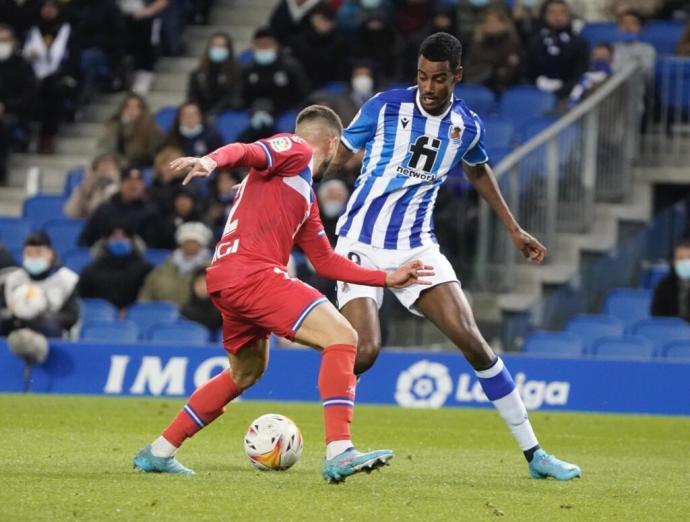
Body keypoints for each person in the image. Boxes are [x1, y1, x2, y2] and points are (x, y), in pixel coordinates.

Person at [323, 32, 581, 481]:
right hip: (360, 243)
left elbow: (478, 169)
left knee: (475, 343)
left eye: (439, 79)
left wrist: (515, 229)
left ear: (456, 76)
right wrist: (290, 181)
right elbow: (339, 156)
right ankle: (339, 448)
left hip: (417, 245)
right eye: (422, 77)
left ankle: (535, 454)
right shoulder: (385, 107)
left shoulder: (468, 125)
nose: (428, 86)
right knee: (363, 351)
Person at [132, 104, 433, 481]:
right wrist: (212, 161)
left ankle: (160, 451)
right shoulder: (297, 148)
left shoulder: (301, 192)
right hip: (253, 274)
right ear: (333, 142)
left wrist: (386, 278)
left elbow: (324, 261)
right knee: (343, 338)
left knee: (245, 373)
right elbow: (248, 150)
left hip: (227, 279)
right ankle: (340, 450)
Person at [3, 232, 79, 365]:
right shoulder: (12, 279)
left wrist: (37, 318)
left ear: (50, 253)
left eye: (38, 253)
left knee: (49, 326)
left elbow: (71, 316)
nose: (33, 258)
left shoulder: (67, 280)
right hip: (15, 329)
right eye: (29, 254)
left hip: (51, 333)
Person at [22, 0, 79, 154]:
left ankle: (47, 137)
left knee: (55, 92)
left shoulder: (67, 31)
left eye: (52, 7)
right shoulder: (32, 29)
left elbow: (73, 59)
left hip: (58, 75)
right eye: (45, 7)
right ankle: (24, 137)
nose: (48, 10)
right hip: (30, 75)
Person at [77, 222, 153, 309]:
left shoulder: (145, 270)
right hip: (101, 317)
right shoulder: (91, 271)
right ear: (107, 240)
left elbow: (147, 299)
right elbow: (82, 300)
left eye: (124, 236)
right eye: (114, 235)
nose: (119, 239)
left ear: (131, 240)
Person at [78, 167, 158, 247]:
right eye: (129, 181)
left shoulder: (151, 212)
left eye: (138, 182)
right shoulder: (104, 210)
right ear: (121, 184)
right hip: (105, 256)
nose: (133, 185)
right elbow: (86, 240)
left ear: (143, 186)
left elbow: (152, 245)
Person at [138, 221, 212, 306]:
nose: (190, 245)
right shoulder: (165, 266)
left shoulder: (210, 269)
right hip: (162, 314)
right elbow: (147, 290)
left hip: (194, 315)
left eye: (194, 242)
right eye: (187, 241)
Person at [525, 0, 589, 98]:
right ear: (545, 15)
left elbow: (580, 75)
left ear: (569, 16)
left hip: (567, 95)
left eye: (562, 12)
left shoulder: (579, 43)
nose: (557, 16)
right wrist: (538, 84)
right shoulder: (535, 41)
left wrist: (561, 88)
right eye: (552, 12)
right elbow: (527, 71)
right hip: (536, 94)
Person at [241, 27, 310, 114]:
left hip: (286, 111)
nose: (264, 48)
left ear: (276, 46)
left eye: (268, 45)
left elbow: (303, 94)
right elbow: (240, 95)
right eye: (260, 45)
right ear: (253, 47)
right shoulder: (246, 69)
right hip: (253, 111)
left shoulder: (291, 66)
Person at [0, 24, 37, 183]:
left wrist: (6, 106)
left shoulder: (22, 66)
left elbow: (29, 97)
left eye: (5, 40)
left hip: (13, 113)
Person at [464, 6, 523, 94]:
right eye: (486, 21)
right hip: (476, 87)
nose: (490, 25)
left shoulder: (511, 45)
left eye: (494, 21)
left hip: (502, 90)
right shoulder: (477, 44)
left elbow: (509, 72)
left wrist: (491, 72)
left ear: (504, 24)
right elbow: (468, 68)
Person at [96, 92, 165, 167]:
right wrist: (125, 128)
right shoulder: (114, 127)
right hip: (118, 165)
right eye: (128, 106)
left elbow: (156, 150)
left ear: (142, 110)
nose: (131, 110)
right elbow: (106, 148)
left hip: (142, 165)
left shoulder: (151, 128)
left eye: (136, 107)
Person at [289, 3, 349, 88]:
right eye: (320, 19)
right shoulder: (299, 41)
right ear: (312, 19)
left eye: (327, 20)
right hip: (305, 84)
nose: (323, 23)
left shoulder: (339, 41)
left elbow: (341, 69)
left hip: (331, 84)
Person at [118, 0, 169, 94]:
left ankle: (145, 72)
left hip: (145, 16)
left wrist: (147, 11)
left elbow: (162, 2)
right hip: (121, 14)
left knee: (146, 29)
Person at [186, 32, 242, 116]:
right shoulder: (197, 74)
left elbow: (235, 98)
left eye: (222, 46)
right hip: (202, 115)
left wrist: (215, 112)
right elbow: (192, 99)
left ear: (228, 49)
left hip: (226, 114)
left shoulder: (237, 72)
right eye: (215, 45)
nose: (218, 49)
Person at [64, 154, 121, 219]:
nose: (105, 168)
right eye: (102, 165)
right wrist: (84, 191)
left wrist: (114, 182)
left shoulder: (122, 186)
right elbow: (71, 213)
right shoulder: (87, 187)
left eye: (109, 165)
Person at [651, 239, 690, 322]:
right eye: (680, 258)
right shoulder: (664, 285)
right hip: (669, 332)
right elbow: (657, 316)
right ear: (674, 261)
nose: (685, 262)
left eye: (689, 258)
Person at [612, 9, 656, 80]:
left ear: (641, 28)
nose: (628, 27)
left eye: (632, 23)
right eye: (624, 23)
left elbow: (647, 74)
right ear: (619, 28)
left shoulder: (647, 49)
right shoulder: (612, 48)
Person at [568, 43, 614, 108]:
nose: (599, 59)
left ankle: (573, 100)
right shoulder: (587, 76)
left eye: (603, 56)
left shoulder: (615, 78)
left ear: (611, 58)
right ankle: (573, 101)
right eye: (597, 56)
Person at [180, 267, 222, 334]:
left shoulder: (223, 312)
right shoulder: (184, 312)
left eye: (207, 282)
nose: (203, 286)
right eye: (199, 282)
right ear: (193, 286)